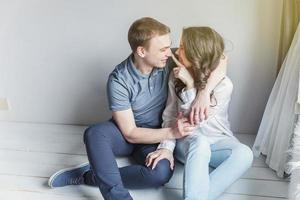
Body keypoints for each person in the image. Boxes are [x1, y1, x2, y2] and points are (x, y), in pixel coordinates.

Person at [48, 18, 227, 200]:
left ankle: (90, 176)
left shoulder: (169, 61)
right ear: (142, 51)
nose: (170, 53)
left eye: (169, 46)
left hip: (157, 136)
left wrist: (204, 93)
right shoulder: (118, 80)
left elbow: (220, 58)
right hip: (130, 133)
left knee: (159, 174)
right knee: (95, 133)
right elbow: (130, 132)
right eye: (163, 49)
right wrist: (172, 132)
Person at [146, 27, 254, 200]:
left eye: (182, 47)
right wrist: (167, 148)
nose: (177, 51)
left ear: (196, 54)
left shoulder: (224, 85)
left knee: (245, 153)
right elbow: (170, 115)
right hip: (188, 142)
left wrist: (191, 86)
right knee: (200, 141)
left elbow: (198, 119)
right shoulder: (175, 77)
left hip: (217, 140)